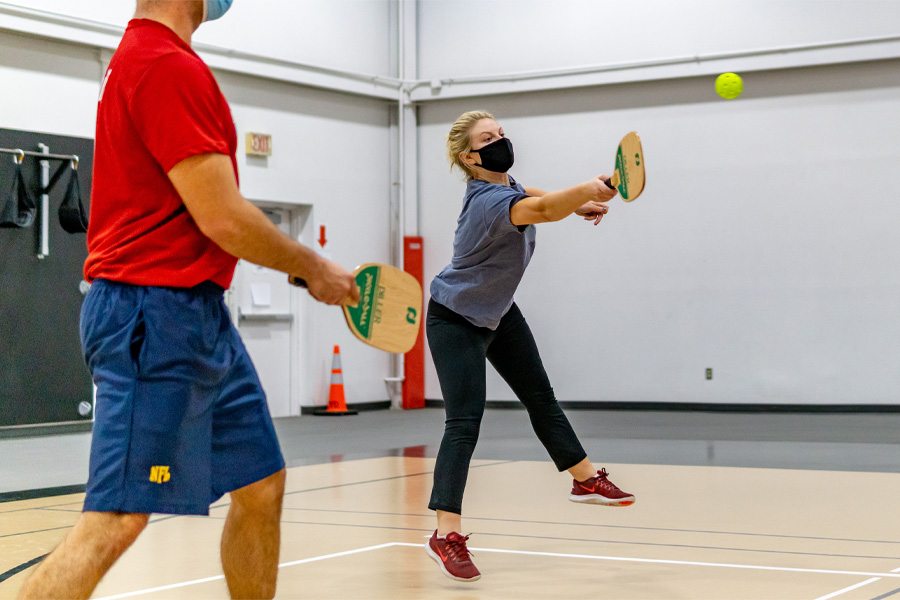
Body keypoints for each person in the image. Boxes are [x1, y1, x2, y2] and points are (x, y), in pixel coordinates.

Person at [17, 1, 358, 599]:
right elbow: (222, 217)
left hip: (196, 314)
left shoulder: (151, 59)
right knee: (115, 521)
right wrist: (313, 268)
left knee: (262, 485)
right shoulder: (162, 65)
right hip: (150, 317)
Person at [424, 110, 636, 582]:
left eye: (501, 133)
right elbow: (538, 210)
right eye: (488, 138)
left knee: (540, 397)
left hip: (497, 312)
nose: (501, 141)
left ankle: (583, 479)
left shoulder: (504, 185)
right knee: (463, 423)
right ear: (468, 156)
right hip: (455, 318)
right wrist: (584, 191)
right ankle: (445, 534)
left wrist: (577, 202)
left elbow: (531, 194)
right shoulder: (486, 203)